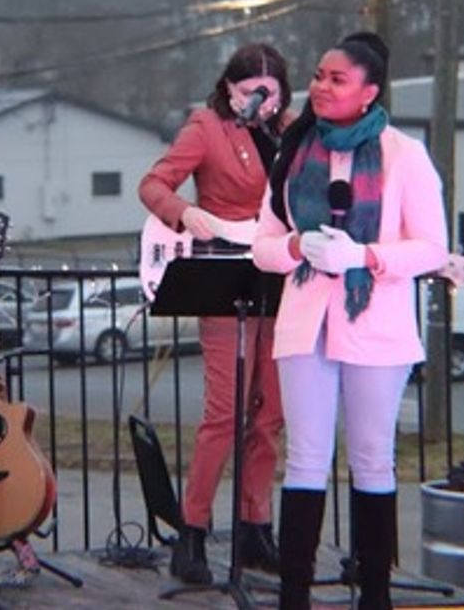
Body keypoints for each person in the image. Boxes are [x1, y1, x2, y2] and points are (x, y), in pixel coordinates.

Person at [251, 32, 447, 610]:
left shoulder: (403, 155)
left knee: (371, 455)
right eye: (317, 75)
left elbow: (433, 248)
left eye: (336, 79)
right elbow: (262, 243)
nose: (320, 86)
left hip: (376, 323)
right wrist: (295, 245)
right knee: (306, 455)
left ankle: (376, 593)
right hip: (306, 318)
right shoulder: (296, 149)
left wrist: (363, 256)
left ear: (369, 91)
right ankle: (294, 594)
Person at [138, 42, 294, 582]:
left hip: (280, 281)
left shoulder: (288, 131)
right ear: (231, 88)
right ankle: (193, 532)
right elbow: (153, 184)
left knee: (269, 415)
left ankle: (256, 527)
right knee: (224, 413)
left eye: (273, 94)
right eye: (254, 92)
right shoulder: (207, 127)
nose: (265, 103)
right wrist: (185, 212)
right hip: (224, 276)